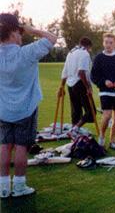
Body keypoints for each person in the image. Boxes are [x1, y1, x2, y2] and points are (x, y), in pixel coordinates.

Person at [0, 13, 57, 197]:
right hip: (26, 108)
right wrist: (32, 29)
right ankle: (19, 186)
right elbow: (52, 39)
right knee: (21, 146)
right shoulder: (27, 52)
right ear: (15, 31)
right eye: (20, 32)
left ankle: (2, 187)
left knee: (4, 146)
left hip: (3, 109)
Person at [91, 33, 115, 150]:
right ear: (103, 43)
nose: (108, 45)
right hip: (105, 92)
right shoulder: (98, 58)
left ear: (114, 44)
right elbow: (94, 76)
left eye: (111, 43)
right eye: (106, 42)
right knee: (107, 116)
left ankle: (113, 141)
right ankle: (102, 136)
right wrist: (104, 82)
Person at [59, 37, 94, 138]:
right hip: (80, 84)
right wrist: (88, 87)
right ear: (88, 46)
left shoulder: (71, 52)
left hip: (70, 84)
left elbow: (64, 71)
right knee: (91, 111)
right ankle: (74, 129)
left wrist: (61, 86)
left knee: (76, 110)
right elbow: (81, 72)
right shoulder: (84, 53)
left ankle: (74, 129)